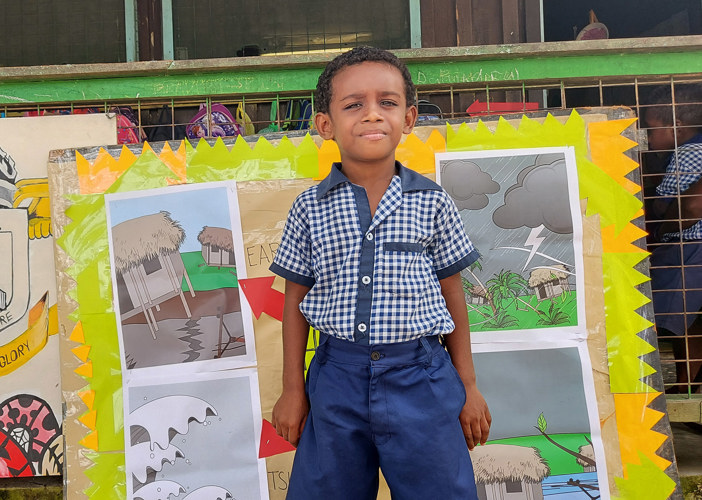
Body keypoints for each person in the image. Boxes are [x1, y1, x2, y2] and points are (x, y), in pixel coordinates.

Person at [269, 46, 491, 499]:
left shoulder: (432, 202)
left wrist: (468, 386)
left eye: (387, 103)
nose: (372, 115)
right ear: (325, 124)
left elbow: (454, 296)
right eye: (354, 105)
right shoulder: (309, 208)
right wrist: (293, 388)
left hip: (422, 379)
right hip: (336, 380)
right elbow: (294, 301)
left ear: (408, 119)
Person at [645, 84, 702, 392]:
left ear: (676, 126)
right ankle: (687, 387)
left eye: (652, 129)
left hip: (689, 247)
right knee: (690, 322)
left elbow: (686, 206)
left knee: (668, 315)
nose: (648, 137)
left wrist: (663, 229)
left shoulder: (687, 153)